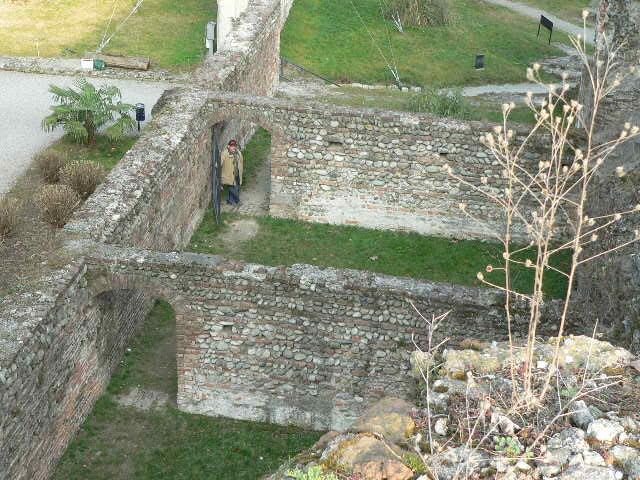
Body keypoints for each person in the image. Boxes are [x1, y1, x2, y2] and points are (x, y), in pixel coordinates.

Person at [221, 139, 243, 205]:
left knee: (237, 187)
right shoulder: (225, 154)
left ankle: (230, 200)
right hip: (229, 175)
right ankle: (237, 200)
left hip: (237, 173)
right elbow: (220, 162)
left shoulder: (238, 153)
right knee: (232, 188)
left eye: (235, 146)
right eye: (232, 146)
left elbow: (241, 161)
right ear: (228, 146)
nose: (234, 147)